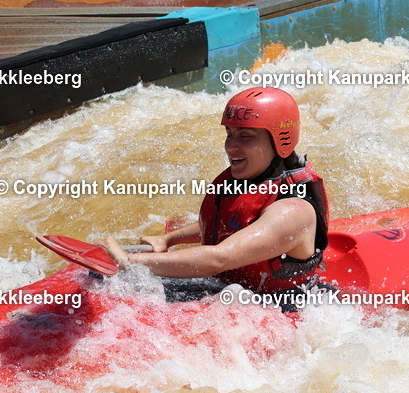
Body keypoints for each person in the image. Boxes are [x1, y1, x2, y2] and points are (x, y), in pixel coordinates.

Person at [103, 87, 329, 298]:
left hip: (282, 306)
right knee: (104, 280)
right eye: (229, 133)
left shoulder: (293, 210)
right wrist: (167, 239)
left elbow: (220, 258)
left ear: (280, 140)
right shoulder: (249, 180)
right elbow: (229, 225)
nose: (231, 146)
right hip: (234, 291)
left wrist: (129, 261)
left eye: (246, 136)